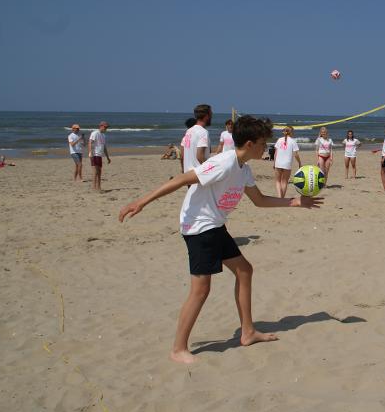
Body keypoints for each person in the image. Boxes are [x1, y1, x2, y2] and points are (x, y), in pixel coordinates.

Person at [118, 115, 323, 364]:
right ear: (249, 143)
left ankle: (247, 332)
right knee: (201, 289)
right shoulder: (223, 163)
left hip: (214, 225)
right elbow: (181, 179)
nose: (266, 147)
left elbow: (259, 201)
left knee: (244, 271)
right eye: (262, 143)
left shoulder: (243, 169)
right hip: (198, 227)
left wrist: (295, 202)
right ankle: (178, 348)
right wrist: (141, 202)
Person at [181, 105, 212, 174]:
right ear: (207, 116)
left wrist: (183, 169)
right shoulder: (203, 132)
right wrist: (210, 172)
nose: (211, 117)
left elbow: (183, 154)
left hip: (188, 174)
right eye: (211, 114)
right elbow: (200, 157)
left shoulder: (189, 131)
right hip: (198, 175)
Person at [273, 126, 301, 197]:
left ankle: (280, 197)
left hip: (278, 163)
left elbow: (275, 153)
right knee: (284, 181)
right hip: (287, 164)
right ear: (291, 133)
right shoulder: (293, 141)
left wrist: (274, 163)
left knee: (278, 181)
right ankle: (282, 198)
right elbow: (296, 154)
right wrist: (299, 163)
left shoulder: (279, 140)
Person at [88, 121, 111, 191]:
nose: (106, 129)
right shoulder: (95, 133)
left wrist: (107, 157)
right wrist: (90, 152)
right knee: (95, 171)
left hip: (100, 155)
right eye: (105, 127)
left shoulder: (103, 135)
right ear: (101, 126)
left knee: (99, 172)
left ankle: (99, 187)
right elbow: (90, 142)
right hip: (94, 154)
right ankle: (94, 187)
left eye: (107, 127)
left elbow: (104, 147)